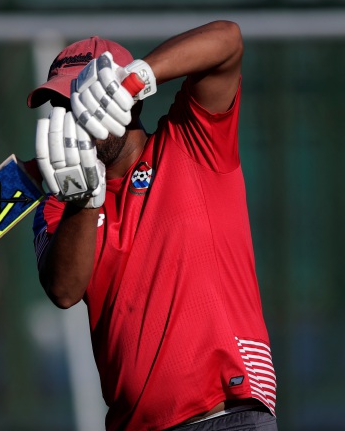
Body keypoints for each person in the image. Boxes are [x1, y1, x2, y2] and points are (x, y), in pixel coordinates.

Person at [27, 21, 278, 430]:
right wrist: (84, 199)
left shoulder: (191, 140)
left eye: (85, 103)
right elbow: (64, 290)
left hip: (225, 415)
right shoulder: (60, 203)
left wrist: (136, 77)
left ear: (128, 103)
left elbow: (228, 41)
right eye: (64, 107)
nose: (73, 119)